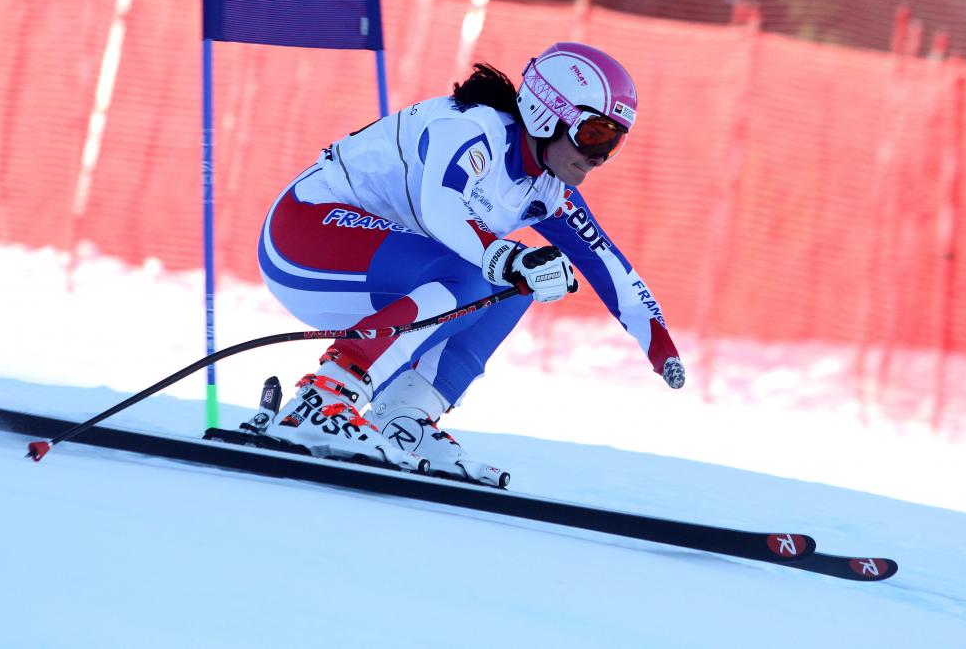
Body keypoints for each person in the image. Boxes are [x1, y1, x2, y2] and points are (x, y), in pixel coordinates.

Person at [250, 42, 684, 485]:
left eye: (615, 142)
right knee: (480, 271)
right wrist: (506, 256)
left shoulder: (548, 189)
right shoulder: (471, 129)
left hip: (372, 269)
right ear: (546, 113)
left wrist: (659, 344)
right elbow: (442, 206)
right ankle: (322, 399)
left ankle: (404, 416)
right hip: (302, 234)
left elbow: (607, 265)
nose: (600, 155)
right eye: (594, 134)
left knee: (516, 283)